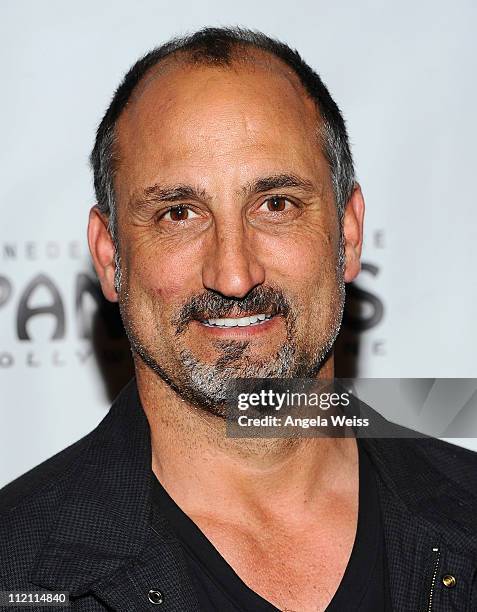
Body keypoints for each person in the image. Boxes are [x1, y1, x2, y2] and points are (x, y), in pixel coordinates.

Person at [1, 27, 476, 612]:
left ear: (349, 233)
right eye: (179, 213)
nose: (233, 274)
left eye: (275, 205)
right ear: (109, 255)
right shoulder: (17, 568)